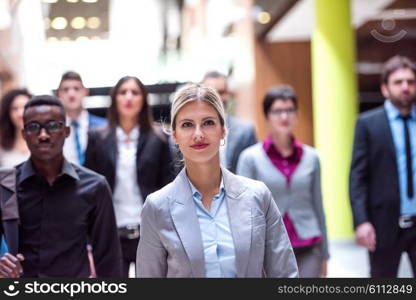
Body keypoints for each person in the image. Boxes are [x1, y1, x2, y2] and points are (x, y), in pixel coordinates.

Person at [136, 83, 298, 278]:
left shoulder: (258, 196)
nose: (198, 134)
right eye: (187, 124)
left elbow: (285, 274)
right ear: (175, 135)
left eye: (208, 123)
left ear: (223, 130)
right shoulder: (157, 207)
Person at [0, 95, 122, 278]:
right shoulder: (5, 186)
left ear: (66, 131)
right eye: (34, 127)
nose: (43, 135)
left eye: (53, 126)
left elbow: (109, 262)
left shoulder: (95, 186)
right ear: (24, 133)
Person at [84, 76, 175, 277]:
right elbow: (87, 191)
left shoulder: (158, 139)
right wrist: (89, 241)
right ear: (114, 98)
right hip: (111, 231)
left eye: (135, 92)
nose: (128, 97)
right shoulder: (96, 138)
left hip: (149, 229)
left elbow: (169, 188)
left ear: (143, 99)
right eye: (123, 92)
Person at [236, 85, 329, 277]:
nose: (284, 116)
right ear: (267, 116)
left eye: (289, 110)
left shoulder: (312, 157)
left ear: (296, 114)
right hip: (267, 247)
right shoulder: (250, 158)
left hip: (309, 244)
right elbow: (242, 211)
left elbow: (318, 205)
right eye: (277, 111)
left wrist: (325, 255)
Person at [350, 55, 416, 277]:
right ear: (385, 88)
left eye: (410, 81)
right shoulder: (368, 124)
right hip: (383, 225)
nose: (405, 87)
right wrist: (361, 221)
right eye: (398, 82)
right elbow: (357, 177)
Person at [202, 71, 257, 173]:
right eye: (211, 93)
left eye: (221, 92)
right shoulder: (191, 133)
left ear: (228, 94)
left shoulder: (245, 131)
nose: (217, 98)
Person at [56, 71, 106, 165]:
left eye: (76, 89)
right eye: (66, 89)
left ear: (85, 92)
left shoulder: (104, 127)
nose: (71, 94)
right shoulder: (54, 130)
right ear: (59, 94)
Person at [0, 89, 32, 167]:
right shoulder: (2, 144)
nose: (20, 114)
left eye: (25, 107)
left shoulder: (44, 140)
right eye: (15, 108)